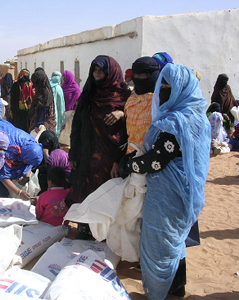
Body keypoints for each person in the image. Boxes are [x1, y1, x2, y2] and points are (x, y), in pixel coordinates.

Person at [118, 64, 211, 299]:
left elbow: (158, 160)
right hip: (185, 189)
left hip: (168, 193)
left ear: (182, 89)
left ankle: (160, 290)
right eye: (163, 86)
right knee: (175, 239)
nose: (163, 92)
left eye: (169, 88)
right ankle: (177, 286)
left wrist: (130, 165)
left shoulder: (177, 122)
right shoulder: (197, 114)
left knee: (161, 240)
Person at [66, 55, 130, 237]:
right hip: (88, 156)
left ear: (112, 72)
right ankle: (87, 230)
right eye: (94, 70)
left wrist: (122, 113)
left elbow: (132, 127)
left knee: (109, 195)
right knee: (89, 194)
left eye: (101, 70)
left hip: (112, 159)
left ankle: (107, 234)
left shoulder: (126, 98)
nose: (97, 74)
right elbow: (77, 126)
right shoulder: (88, 95)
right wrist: (73, 153)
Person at [112, 56, 160, 177]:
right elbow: (125, 133)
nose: (138, 78)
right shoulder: (132, 100)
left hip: (153, 163)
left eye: (143, 75)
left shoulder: (161, 102)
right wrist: (117, 161)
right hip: (130, 160)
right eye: (136, 75)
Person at [0, 118, 43, 200]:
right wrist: (19, 192)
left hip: (2, 133)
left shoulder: (30, 146)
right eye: (27, 162)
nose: (27, 164)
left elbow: (31, 162)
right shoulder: (7, 152)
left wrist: (27, 176)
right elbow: (1, 174)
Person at [50, 71, 66, 135]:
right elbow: (61, 105)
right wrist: (63, 120)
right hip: (55, 112)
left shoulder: (47, 86)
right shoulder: (58, 88)